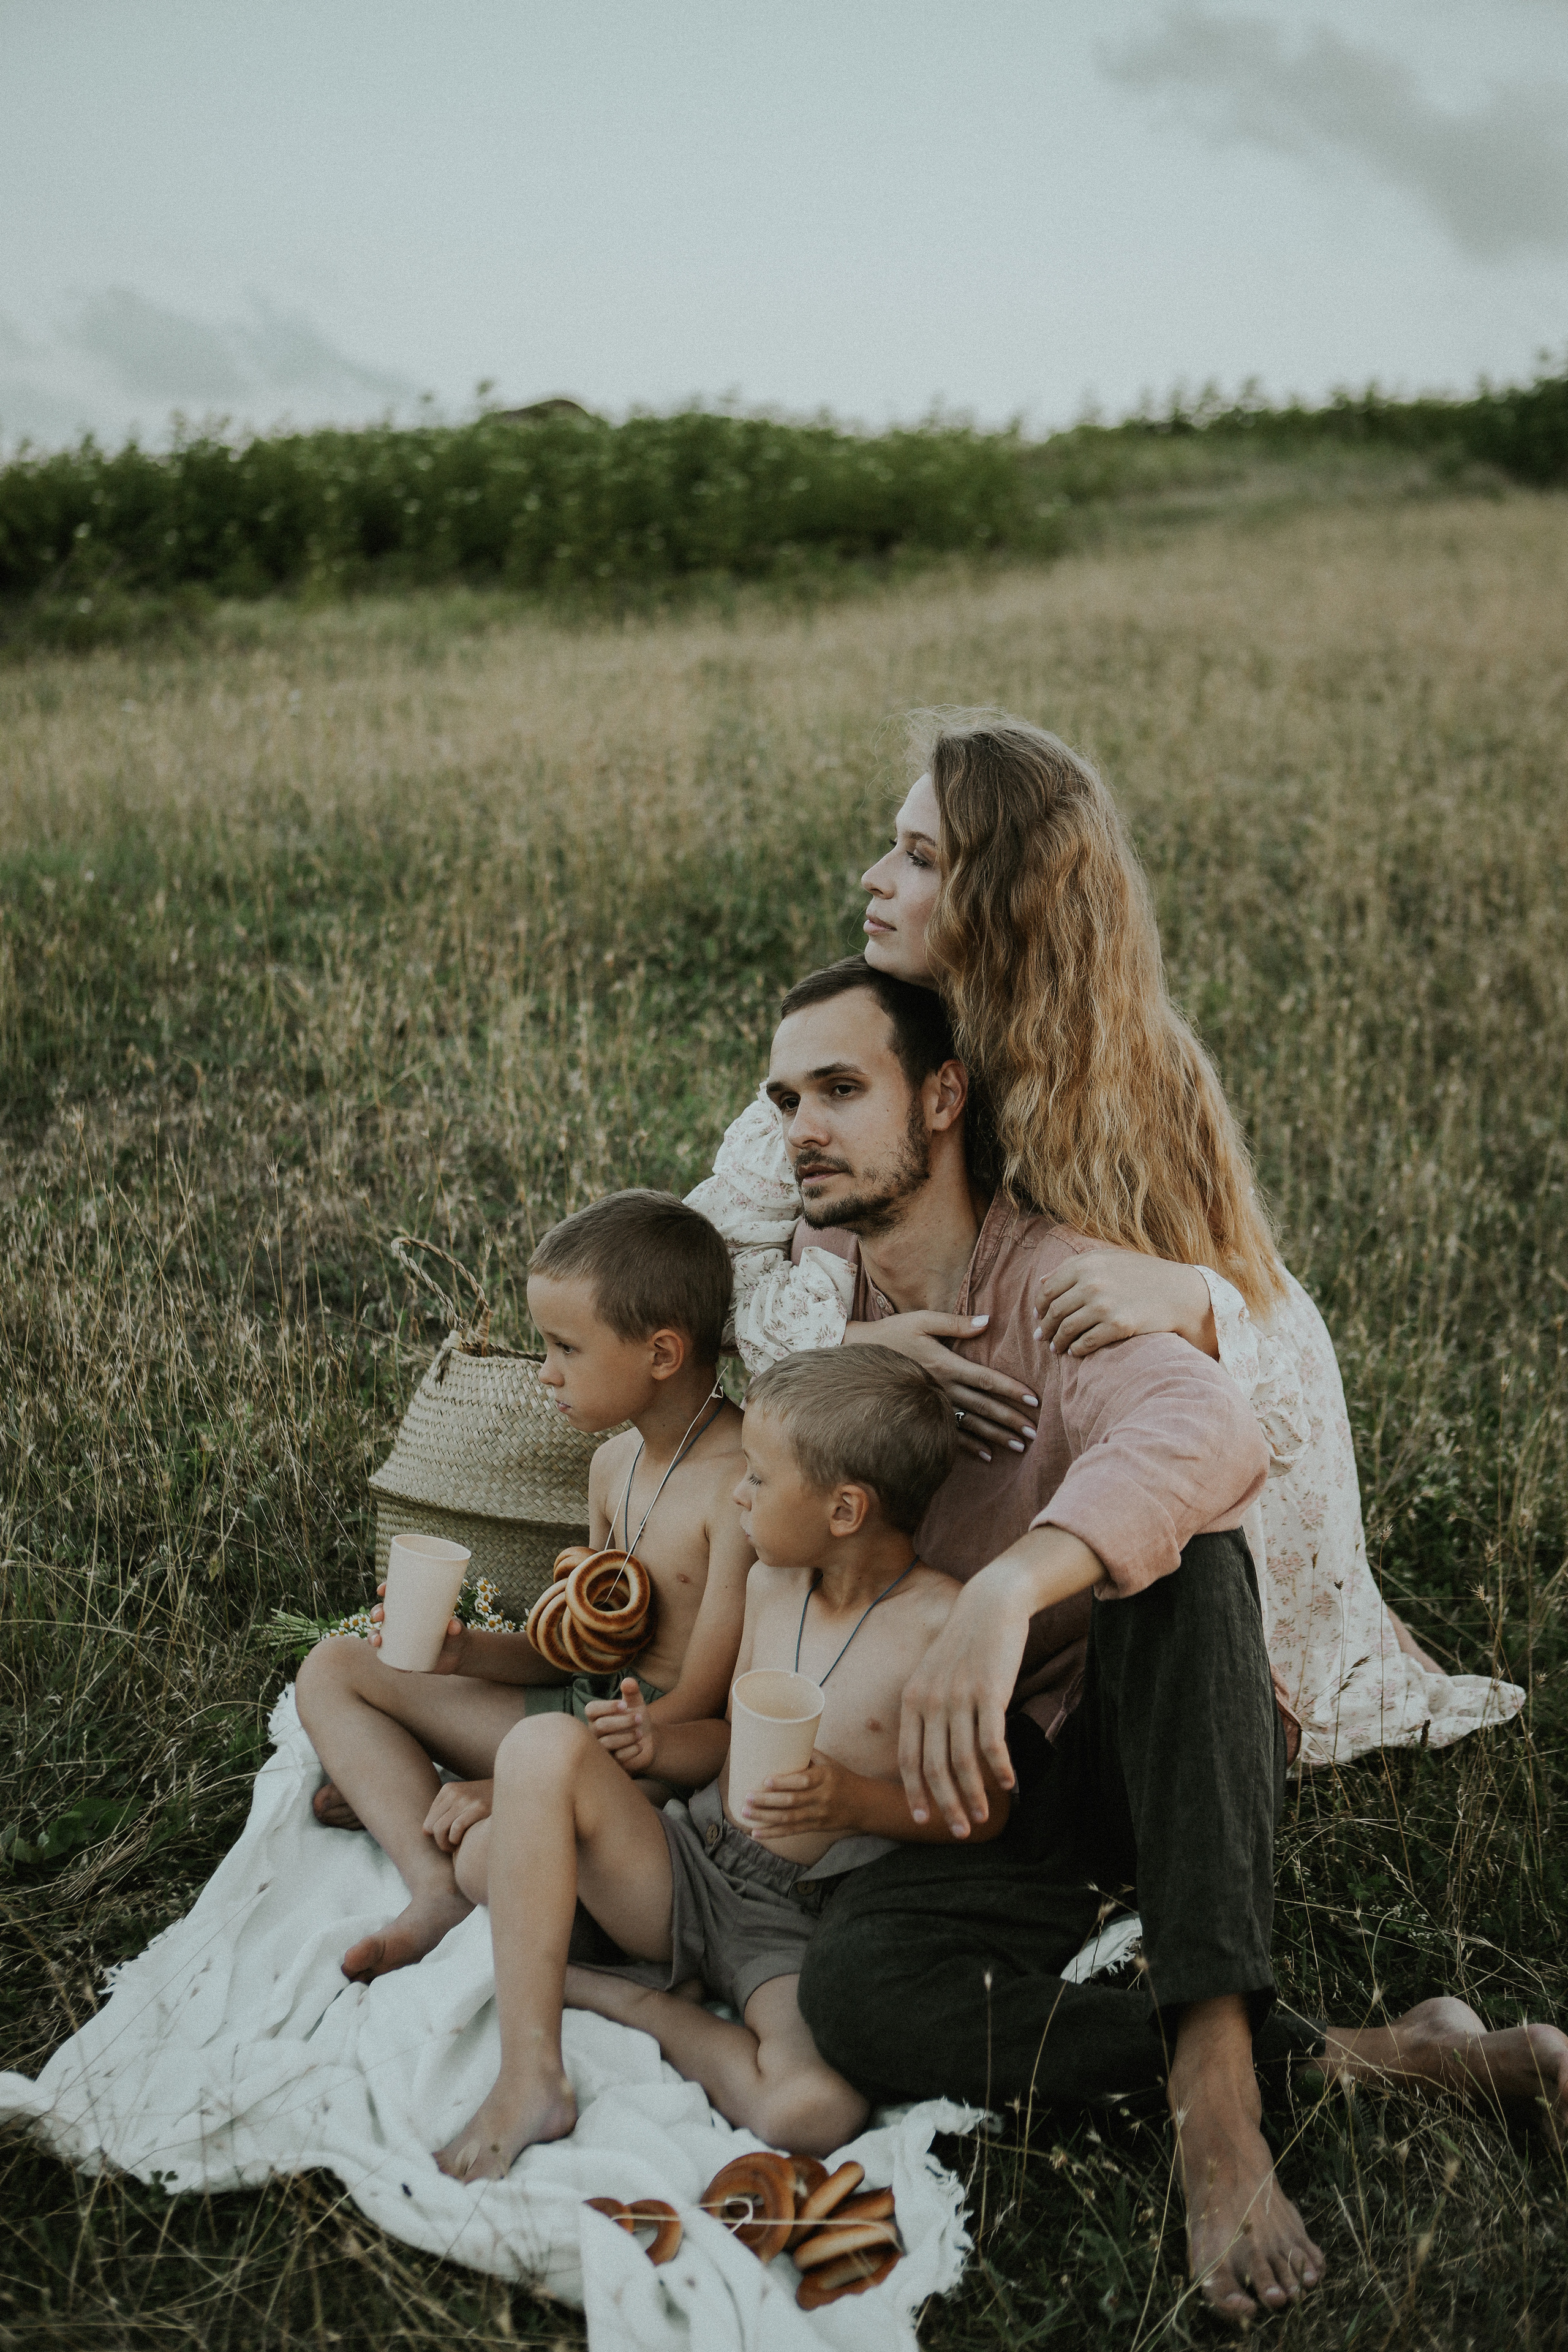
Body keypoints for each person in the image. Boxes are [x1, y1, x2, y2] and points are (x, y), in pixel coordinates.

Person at [737, 958, 1565, 2324]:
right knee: (857, 1995)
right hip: (972, 1793)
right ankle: (1377, 2059)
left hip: (1141, 1753)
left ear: (942, 1097)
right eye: (785, 1100)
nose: (802, 1127)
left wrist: (1009, 1588)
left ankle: (1218, 2087)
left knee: (1189, 1564)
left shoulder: (1055, 1278)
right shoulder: (817, 1297)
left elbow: (1201, 1435)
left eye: (840, 1089)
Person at [687, 710, 1521, 1765]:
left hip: (1080, 1480)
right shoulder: (865, 1034)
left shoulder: (1128, 1080)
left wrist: (1189, 1298)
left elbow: (1274, 1339)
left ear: (1006, 899)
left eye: (919, 857)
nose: (874, 876)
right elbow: (702, 1265)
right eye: (894, 845)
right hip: (894, 1481)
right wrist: (843, 1357)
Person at [431, 1344, 1008, 2180]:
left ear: (845, 1509)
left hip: (796, 1919)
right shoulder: (776, 1585)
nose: (737, 1491)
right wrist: (658, 1744)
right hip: (691, 1860)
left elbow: (985, 1812)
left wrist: (856, 1804)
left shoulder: (944, 1628)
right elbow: (731, 1742)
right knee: (496, 1835)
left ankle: (624, 1996)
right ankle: (532, 2074)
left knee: (810, 2109)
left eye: (761, 1480)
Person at [295, 1189, 753, 1982]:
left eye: (565, 1348)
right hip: (573, 1716)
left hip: (645, 1767)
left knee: (487, 1850)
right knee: (335, 1667)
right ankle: (431, 1885)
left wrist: (509, 1787)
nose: (545, 1374)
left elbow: (697, 1715)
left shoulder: (738, 1492)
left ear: (663, 1354)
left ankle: (448, 1825)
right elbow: (573, 1655)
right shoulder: (615, 1465)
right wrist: (465, 1652)